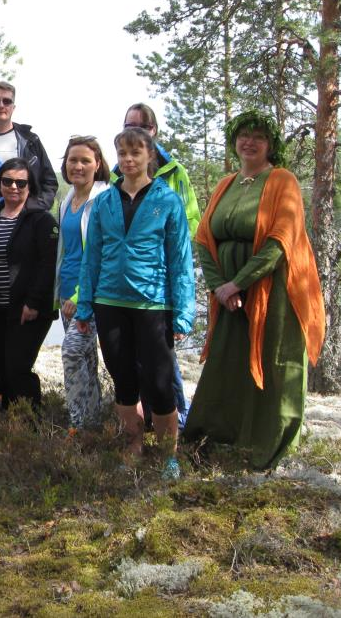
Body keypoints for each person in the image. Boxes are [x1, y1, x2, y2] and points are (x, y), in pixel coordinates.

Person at [183, 111, 325, 470]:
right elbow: (203, 238)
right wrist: (220, 288)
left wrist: (238, 282)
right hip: (230, 298)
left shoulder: (282, 181)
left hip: (275, 292)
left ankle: (266, 444)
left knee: (275, 364)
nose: (250, 142)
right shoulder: (225, 184)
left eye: (258, 137)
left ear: (270, 145)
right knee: (227, 362)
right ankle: (218, 437)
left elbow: (281, 241)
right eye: (243, 135)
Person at [76, 128, 194, 480]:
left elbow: (181, 260)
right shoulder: (105, 202)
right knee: (123, 377)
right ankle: (133, 443)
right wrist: (85, 305)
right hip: (109, 301)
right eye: (123, 153)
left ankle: (168, 454)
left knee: (159, 382)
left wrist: (183, 313)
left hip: (153, 303)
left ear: (149, 157)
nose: (128, 159)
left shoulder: (167, 200)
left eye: (136, 153)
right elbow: (91, 256)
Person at [120, 102, 200, 429]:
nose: (135, 130)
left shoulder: (173, 172)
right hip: (126, 290)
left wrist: (160, 251)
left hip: (160, 283)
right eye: (129, 125)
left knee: (163, 365)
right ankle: (148, 431)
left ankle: (178, 427)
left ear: (153, 132)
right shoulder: (118, 172)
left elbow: (190, 221)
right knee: (135, 364)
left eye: (142, 125)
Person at [0, 158, 58, 409]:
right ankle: (2, 423)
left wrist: (33, 302)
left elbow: (48, 265)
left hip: (27, 310)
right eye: (7, 181)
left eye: (21, 183)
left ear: (29, 186)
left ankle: (28, 422)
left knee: (17, 366)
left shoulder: (42, 220)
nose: (14, 187)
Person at [57, 136, 112, 428]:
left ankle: (78, 426)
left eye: (85, 161)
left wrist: (80, 297)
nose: (77, 166)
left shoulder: (104, 199)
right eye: (72, 160)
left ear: (97, 164)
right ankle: (93, 422)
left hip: (88, 296)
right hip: (66, 292)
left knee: (72, 352)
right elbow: (65, 251)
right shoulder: (69, 198)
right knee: (87, 362)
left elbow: (103, 253)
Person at [0, 81, 58, 209]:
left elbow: (49, 182)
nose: (1, 105)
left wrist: (33, 209)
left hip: (23, 222)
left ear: (13, 107)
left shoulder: (30, 141)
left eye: (6, 101)